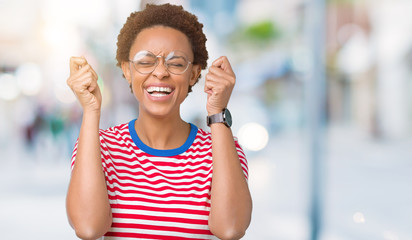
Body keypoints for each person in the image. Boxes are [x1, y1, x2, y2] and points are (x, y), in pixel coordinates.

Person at [66, 3, 252, 240]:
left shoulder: (224, 149)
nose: (161, 72)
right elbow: (88, 228)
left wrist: (217, 112)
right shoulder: (99, 147)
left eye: (176, 63)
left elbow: (231, 229)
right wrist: (91, 111)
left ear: (194, 73)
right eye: (145, 61)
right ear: (127, 70)